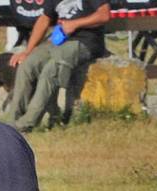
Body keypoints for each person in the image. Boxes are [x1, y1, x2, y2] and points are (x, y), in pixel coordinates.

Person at [6, 0, 111, 134]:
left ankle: (25, 124)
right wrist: (27, 51)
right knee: (27, 66)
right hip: (57, 40)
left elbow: (104, 15)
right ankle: (10, 122)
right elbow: (44, 19)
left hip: (84, 42)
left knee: (51, 70)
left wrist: (75, 24)